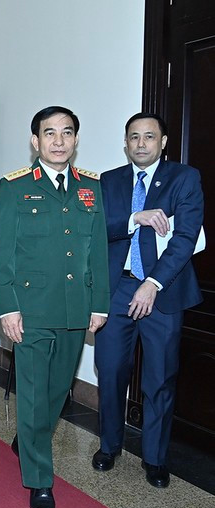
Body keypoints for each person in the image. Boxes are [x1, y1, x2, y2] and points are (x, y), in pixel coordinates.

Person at [0, 106, 109, 508]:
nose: (59, 141)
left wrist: (100, 303)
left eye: (67, 133)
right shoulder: (15, 187)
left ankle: (30, 435)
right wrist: (8, 309)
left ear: (75, 140)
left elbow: (98, 254)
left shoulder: (91, 187)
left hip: (76, 310)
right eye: (49, 133)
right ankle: (39, 478)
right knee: (36, 394)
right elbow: (0, 256)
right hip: (31, 310)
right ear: (35, 141)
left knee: (58, 391)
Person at [93, 112, 204, 488]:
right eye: (134, 137)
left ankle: (155, 458)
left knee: (159, 379)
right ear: (125, 143)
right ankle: (110, 445)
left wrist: (152, 283)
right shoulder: (109, 182)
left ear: (164, 142)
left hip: (163, 292)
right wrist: (133, 218)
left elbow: (186, 238)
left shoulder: (184, 178)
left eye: (149, 137)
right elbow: (95, 230)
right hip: (116, 290)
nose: (141, 144)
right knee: (110, 373)